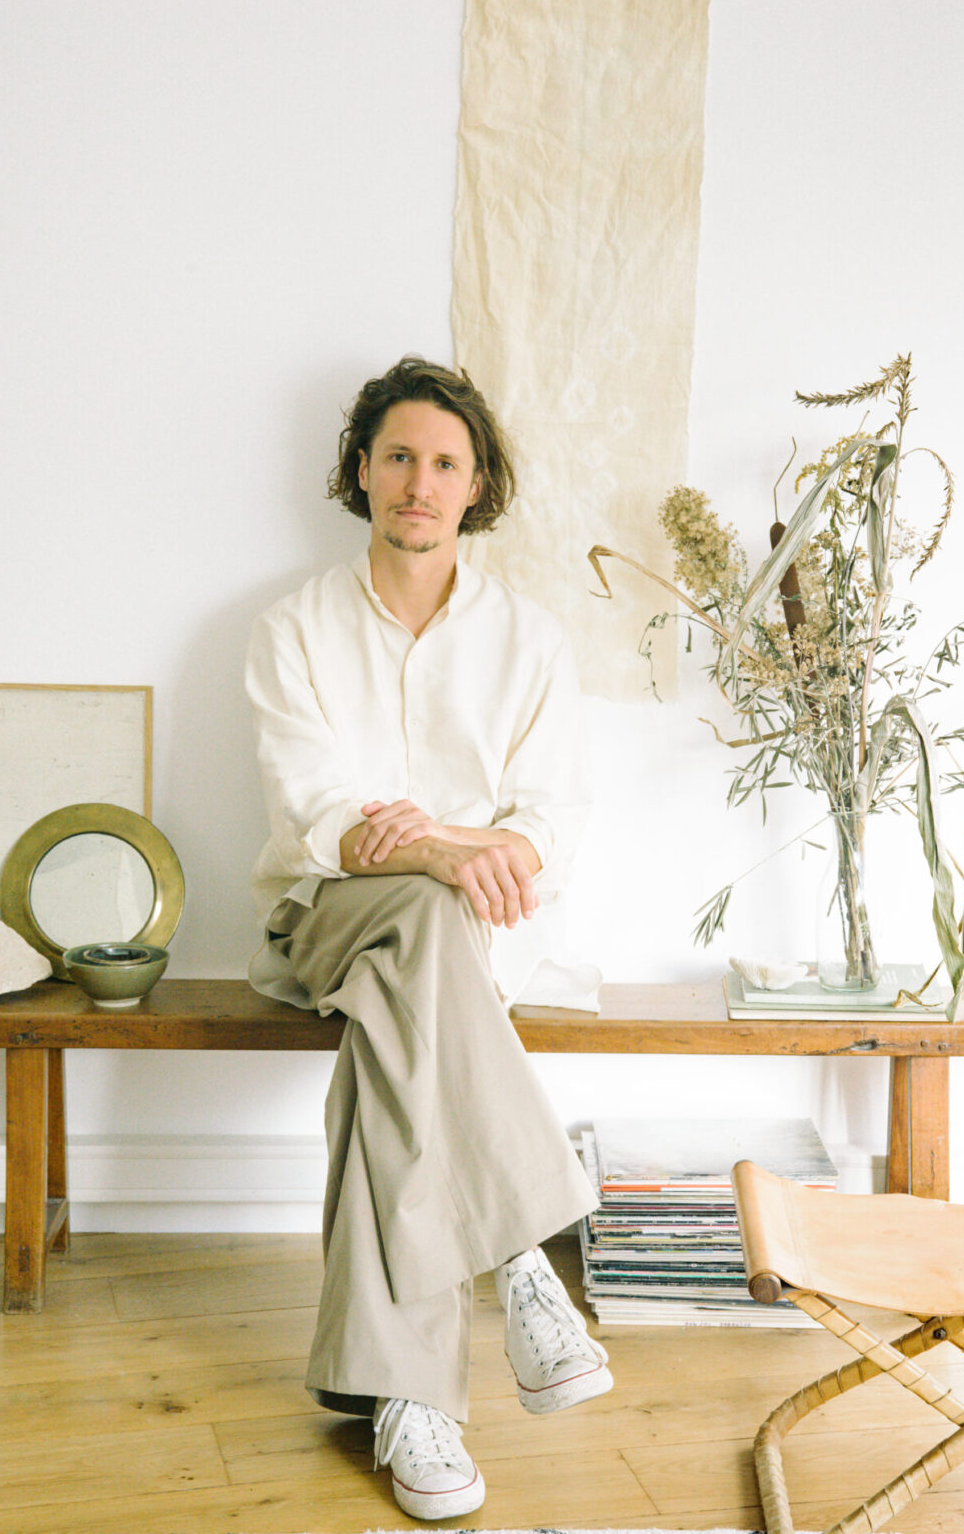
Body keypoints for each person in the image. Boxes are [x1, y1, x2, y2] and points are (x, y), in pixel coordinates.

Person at [245, 356, 611, 1521]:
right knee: (416, 913)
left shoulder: (531, 641)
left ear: (475, 485)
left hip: (470, 937)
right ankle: (520, 1248)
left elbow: (549, 826)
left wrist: (441, 846)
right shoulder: (292, 629)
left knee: (393, 1053)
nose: (419, 482)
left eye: (444, 463)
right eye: (398, 456)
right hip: (324, 920)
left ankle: (408, 1400)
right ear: (361, 470)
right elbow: (321, 821)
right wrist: (448, 852)